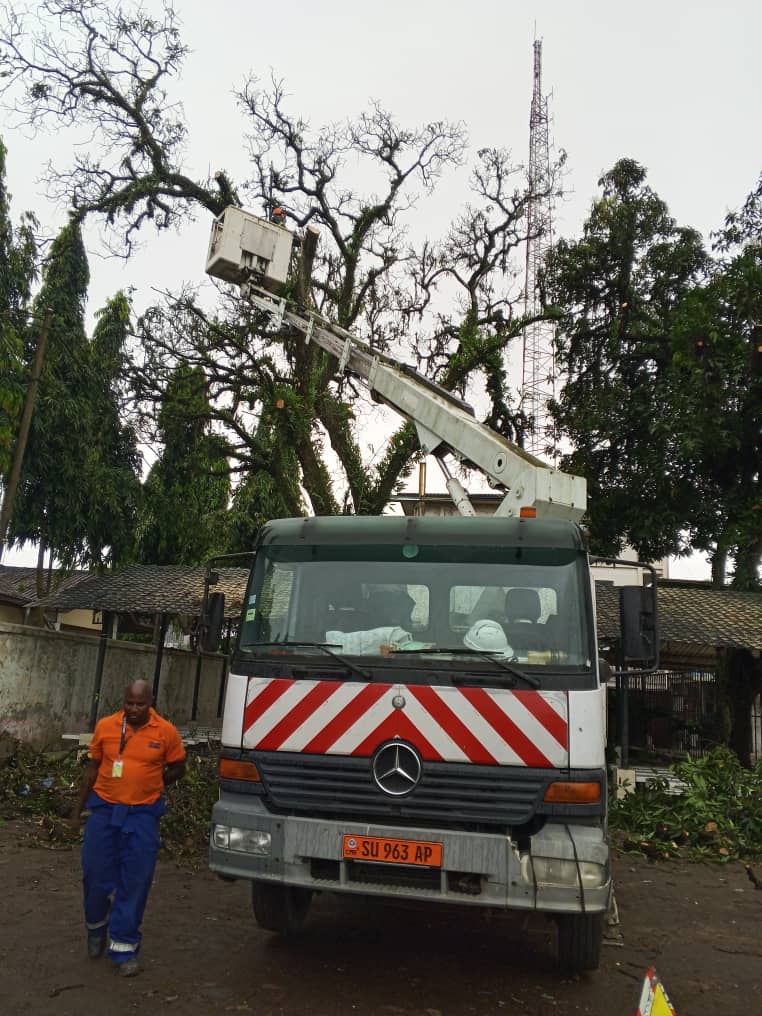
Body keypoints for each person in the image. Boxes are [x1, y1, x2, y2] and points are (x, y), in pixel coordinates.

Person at [68, 680, 186, 977]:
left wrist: (154, 784)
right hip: (105, 812)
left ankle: (124, 947)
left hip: (143, 816)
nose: (133, 709)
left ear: (151, 702)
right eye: (129, 703)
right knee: (94, 876)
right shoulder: (106, 727)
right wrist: (75, 812)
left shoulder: (166, 732)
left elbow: (178, 767)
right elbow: (92, 769)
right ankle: (96, 928)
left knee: (135, 880)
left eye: (140, 704)